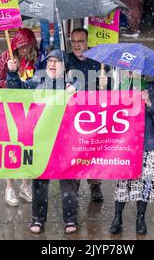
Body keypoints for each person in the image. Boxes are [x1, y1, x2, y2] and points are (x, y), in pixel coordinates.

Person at [7, 49, 80, 235]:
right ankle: (38, 220)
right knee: (39, 182)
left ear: (65, 66)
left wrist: (77, 90)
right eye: (50, 61)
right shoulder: (37, 82)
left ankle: (71, 219)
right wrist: (12, 73)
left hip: (65, 142)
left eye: (57, 61)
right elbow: (16, 91)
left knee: (68, 183)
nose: (52, 65)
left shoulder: (74, 83)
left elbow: (91, 96)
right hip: (41, 141)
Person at [109, 72, 154, 235]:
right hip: (126, 143)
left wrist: (149, 102)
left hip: (147, 143)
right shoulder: (123, 85)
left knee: (145, 184)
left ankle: (140, 218)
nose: (130, 72)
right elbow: (112, 110)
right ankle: (117, 217)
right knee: (122, 183)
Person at [0, 28, 39, 206]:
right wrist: (12, 79)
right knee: (9, 146)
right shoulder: (6, 57)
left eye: (28, 46)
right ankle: (9, 187)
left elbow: (42, 79)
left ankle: (25, 185)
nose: (25, 50)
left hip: (30, 110)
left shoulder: (36, 58)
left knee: (28, 146)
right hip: (9, 109)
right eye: (22, 46)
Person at [66, 28, 110, 202]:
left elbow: (109, 91)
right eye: (74, 41)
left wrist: (105, 83)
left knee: (93, 150)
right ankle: (74, 181)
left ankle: (95, 184)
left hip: (94, 113)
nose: (77, 45)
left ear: (87, 42)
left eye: (81, 41)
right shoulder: (66, 60)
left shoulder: (98, 61)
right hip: (73, 114)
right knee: (75, 150)